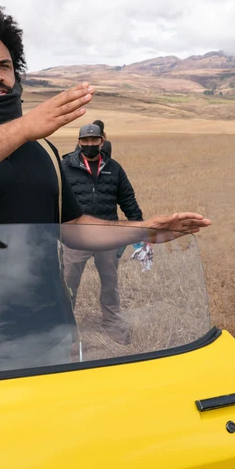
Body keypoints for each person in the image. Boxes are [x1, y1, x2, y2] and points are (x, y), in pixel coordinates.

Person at [0, 0, 211, 376]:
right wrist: (22, 128)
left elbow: (72, 226)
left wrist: (144, 229)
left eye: (5, 65)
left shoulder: (42, 150)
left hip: (49, 336)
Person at [62, 123, 143, 345]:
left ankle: (113, 324)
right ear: (79, 142)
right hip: (76, 238)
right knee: (68, 283)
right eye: (85, 140)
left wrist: (139, 233)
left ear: (102, 140)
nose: (89, 144)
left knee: (110, 283)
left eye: (94, 140)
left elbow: (128, 200)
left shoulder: (114, 168)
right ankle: (65, 329)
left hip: (107, 236)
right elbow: (53, 199)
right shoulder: (65, 167)